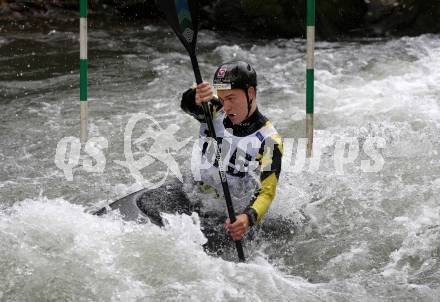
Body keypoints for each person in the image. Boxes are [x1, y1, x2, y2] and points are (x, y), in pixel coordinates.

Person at [181, 60, 283, 242]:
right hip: (192, 194)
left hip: (228, 216)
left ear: (250, 93)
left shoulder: (269, 141)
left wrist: (247, 218)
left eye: (231, 99)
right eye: (221, 99)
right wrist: (194, 96)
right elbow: (189, 106)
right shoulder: (213, 111)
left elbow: (267, 192)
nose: (225, 107)